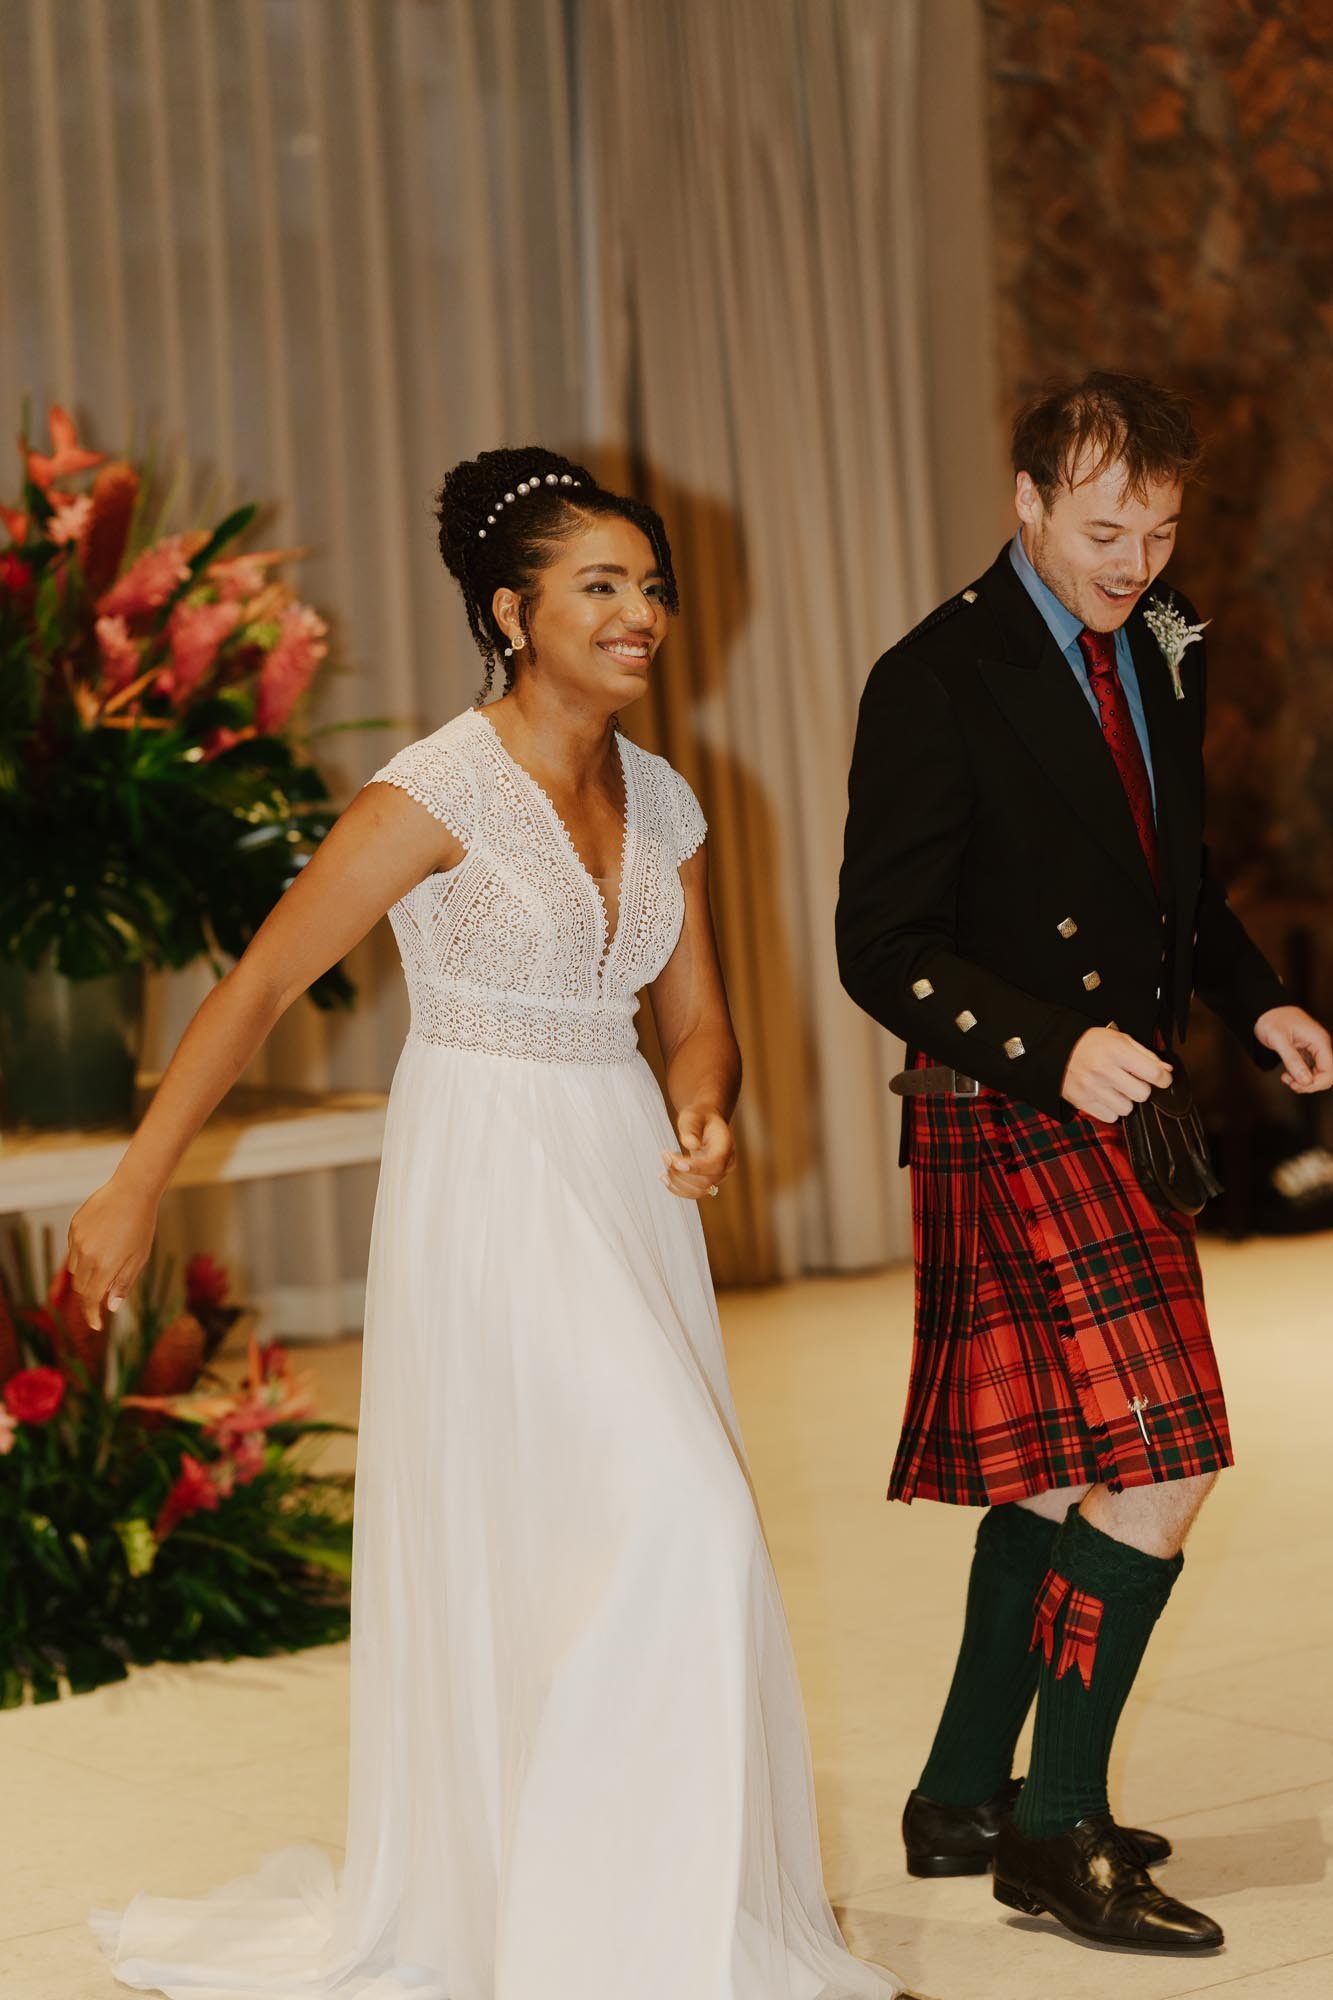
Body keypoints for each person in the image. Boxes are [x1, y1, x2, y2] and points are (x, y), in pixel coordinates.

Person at [71, 447, 904, 2000]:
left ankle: (615, 1903)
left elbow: (695, 1020)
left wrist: (707, 1105)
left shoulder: (663, 795)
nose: (642, 613)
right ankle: (600, 1936)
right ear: (513, 612)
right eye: (602, 586)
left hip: (620, 1176)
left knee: (594, 1542)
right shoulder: (433, 790)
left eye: (650, 586)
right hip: (490, 1181)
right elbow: (254, 991)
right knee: (686, 1522)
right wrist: (132, 1182)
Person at [836, 373, 1333, 1956]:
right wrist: (1048, 1047)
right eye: (1104, 528)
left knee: (1060, 1467)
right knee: (1164, 1457)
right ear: (1026, 501)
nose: (1134, 561)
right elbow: (877, 946)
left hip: (1119, 1100)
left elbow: (1165, 875)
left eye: (1161, 528)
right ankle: (1057, 1838)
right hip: (1013, 1096)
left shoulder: (1159, 649)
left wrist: (1253, 996)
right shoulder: (936, 677)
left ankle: (964, 1790)